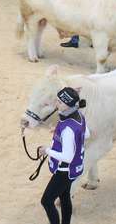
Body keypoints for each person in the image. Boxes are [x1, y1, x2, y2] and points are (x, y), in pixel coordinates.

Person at [37, 87, 88, 224]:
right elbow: (86, 134)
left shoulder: (68, 129)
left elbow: (67, 157)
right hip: (75, 168)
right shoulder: (79, 117)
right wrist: (59, 132)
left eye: (59, 101)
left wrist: (47, 150)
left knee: (46, 201)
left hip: (64, 171)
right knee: (64, 196)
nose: (56, 103)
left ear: (68, 105)